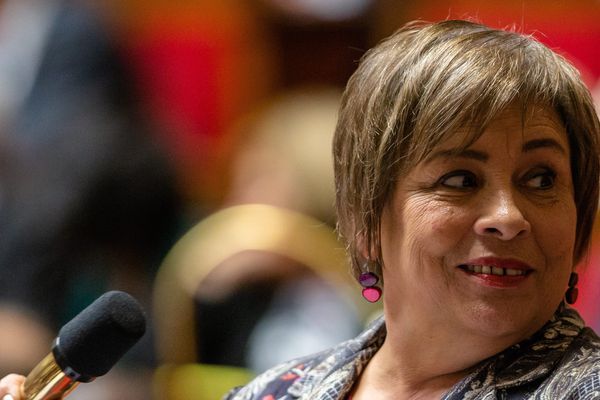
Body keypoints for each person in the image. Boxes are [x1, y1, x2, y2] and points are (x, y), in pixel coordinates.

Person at [2, 18, 600, 400]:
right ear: (368, 217)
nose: (509, 214)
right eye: (461, 179)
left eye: (542, 179)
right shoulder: (274, 391)